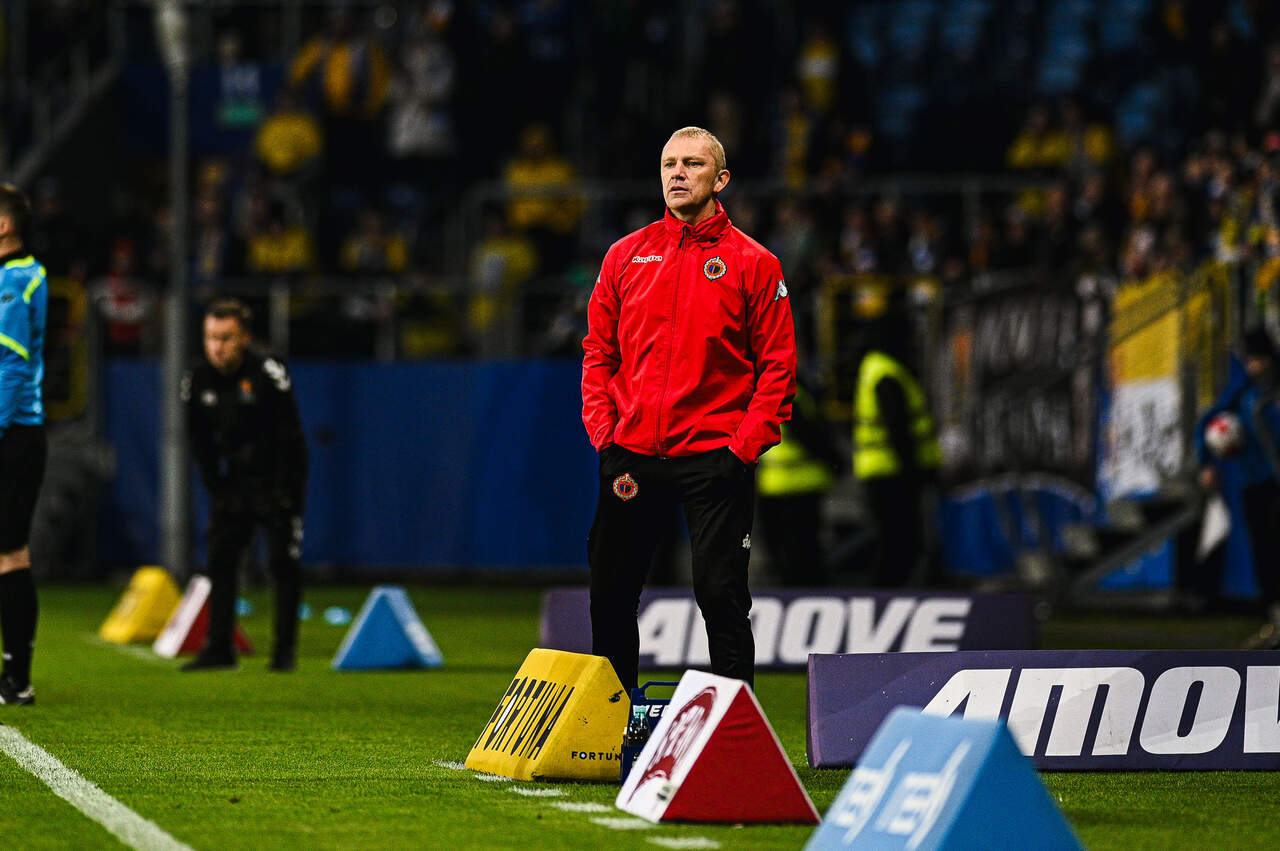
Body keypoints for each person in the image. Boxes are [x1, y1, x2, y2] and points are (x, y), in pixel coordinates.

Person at [582, 126, 797, 691]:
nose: (677, 173)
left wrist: (741, 451)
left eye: (693, 164)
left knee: (721, 594)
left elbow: (778, 367)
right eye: (669, 163)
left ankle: (734, 724)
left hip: (714, 457)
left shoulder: (755, 263)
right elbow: (598, 353)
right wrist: (605, 437)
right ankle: (614, 718)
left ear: (720, 180)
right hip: (632, 453)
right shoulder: (625, 255)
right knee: (610, 591)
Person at [181, 298, 307, 671]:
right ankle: (219, 648)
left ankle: (283, 652)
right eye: (211, 337)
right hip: (233, 482)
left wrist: (286, 493)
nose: (217, 346)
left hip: (276, 480)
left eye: (226, 338)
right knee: (220, 560)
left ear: (245, 338)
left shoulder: (268, 373)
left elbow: (291, 438)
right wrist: (216, 486)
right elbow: (199, 440)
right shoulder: (197, 378)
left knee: (282, 563)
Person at [1195, 327, 1280, 648]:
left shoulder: (1271, 389)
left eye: (1256, 358)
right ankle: (1274, 617)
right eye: (1248, 359)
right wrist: (1206, 461)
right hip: (1256, 481)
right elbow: (1209, 422)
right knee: (1264, 549)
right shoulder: (1243, 391)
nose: (1251, 365)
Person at [852, 306, 942, 588]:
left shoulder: (875, 367)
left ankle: (884, 596)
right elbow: (898, 429)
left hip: (883, 470)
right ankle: (884, 598)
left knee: (895, 543)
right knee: (900, 543)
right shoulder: (887, 372)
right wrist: (913, 471)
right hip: (892, 472)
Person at [0, 184, 47, 705]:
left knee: (9, 555)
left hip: (14, 434)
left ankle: (17, 680)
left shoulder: (18, 277)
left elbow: (11, 365)